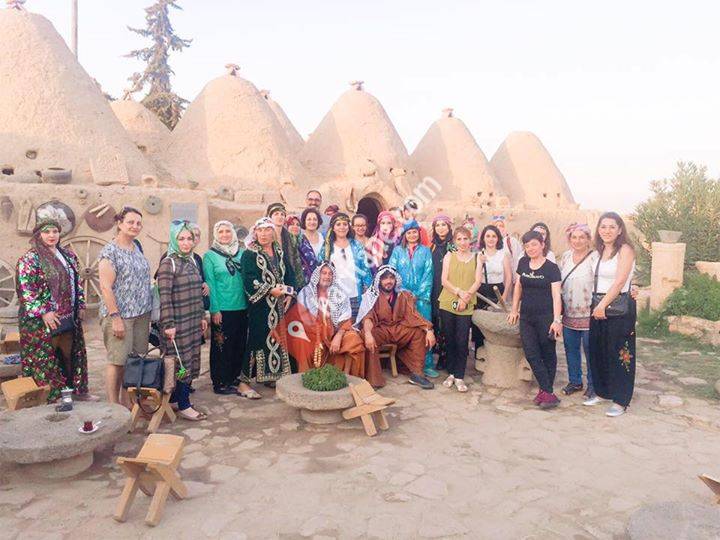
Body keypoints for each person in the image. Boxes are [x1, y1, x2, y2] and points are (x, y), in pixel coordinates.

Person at [15, 218, 95, 402]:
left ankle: (75, 392)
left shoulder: (68, 256)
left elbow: (76, 282)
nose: (51, 236)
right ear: (38, 235)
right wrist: (44, 311)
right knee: (46, 358)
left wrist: (80, 304)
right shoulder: (29, 259)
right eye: (46, 232)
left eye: (55, 232)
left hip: (67, 316)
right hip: (41, 320)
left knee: (70, 355)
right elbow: (26, 289)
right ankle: (51, 397)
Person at [98, 207, 153, 407]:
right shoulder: (109, 252)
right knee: (118, 361)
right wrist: (115, 317)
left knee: (135, 360)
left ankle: (128, 402)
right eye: (130, 222)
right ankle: (114, 406)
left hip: (141, 314)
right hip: (120, 316)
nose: (135, 226)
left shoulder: (136, 247)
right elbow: (106, 287)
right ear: (119, 224)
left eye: (138, 223)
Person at [584, 212, 636, 417]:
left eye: (612, 227)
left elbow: (620, 280)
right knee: (598, 350)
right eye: (603, 226)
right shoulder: (598, 251)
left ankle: (621, 400)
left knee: (620, 353)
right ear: (598, 230)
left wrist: (602, 305)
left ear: (620, 230)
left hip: (618, 308)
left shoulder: (625, 250)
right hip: (598, 304)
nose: (607, 230)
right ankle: (602, 391)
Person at [157, 221, 208, 420]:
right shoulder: (168, 263)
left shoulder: (192, 261)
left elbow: (197, 292)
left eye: (189, 238)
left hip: (192, 322)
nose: (186, 243)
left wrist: (202, 316)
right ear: (174, 240)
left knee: (192, 360)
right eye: (181, 239)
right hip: (177, 324)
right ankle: (184, 404)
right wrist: (169, 325)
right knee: (180, 364)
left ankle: (177, 399)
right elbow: (164, 297)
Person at [507, 230, 563, 409]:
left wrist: (557, 320)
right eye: (527, 245)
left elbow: (556, 295)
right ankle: (548, 392)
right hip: (526, 317)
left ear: (542, 245)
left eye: (534, 244)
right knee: (531, 354)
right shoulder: (523, 263)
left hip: (546, 317)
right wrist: (514, 309)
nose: (530, 248)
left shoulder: (551, 268)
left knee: (548, 354)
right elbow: (518, 287)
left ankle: (545, 392)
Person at [357, 265, 436, 389]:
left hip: (398, 329)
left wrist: (428, 330)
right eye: (385, 278)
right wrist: (368, 334)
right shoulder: (371, 296)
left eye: (391, 278)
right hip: (381, 330)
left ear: (395, 279)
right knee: (366, 334)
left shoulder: (403, 295)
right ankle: (374, 380)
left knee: (419, 333)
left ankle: (417, 374)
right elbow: (368, 318)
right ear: (379, 280)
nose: (388, 281)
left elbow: (413, 315)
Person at [204, 221, 258, 398]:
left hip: (242, 307)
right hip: (222, 309)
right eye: (221, 232)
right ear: (216, 234)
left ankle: (234, 377)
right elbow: (210, 283)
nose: (225, 234)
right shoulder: (210, 256)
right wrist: (214, 309)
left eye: (228, 231)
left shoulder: (241, 253)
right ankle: (220, 381)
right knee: (221, 346)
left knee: (239, 344)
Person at [240, 217, 293, 385]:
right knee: (258, 339)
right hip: (261, 306)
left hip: (279, 306)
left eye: (267, 230)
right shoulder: (249, 254)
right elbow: (249, 279)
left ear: (273, 232)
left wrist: (290, 294)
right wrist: (270, 290)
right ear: (255, 233)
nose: (263, 234)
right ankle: (245, 381)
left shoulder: (279, 252)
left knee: (277, 338)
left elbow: (289, 274)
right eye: (260, 230)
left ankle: (273, 376)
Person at [294, 263, 366, 376]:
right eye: (324, 273)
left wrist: (338, 336)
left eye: (330, 274)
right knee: (302, 341)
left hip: (335, 332)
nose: (327, 276)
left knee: (354, 340)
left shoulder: (340, 293)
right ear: (318, 275)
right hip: (313, 333)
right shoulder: (306, 293)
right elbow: (301, 318)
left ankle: (346, 376)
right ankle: (306, 377)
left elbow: (346, 319)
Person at [438, 226, 484, 392]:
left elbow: (477, 281)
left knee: (462, 339)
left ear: (470, 240)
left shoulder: (477, 257)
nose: (462, 242)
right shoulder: (449, 256)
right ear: (454, 241)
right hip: (448, 301)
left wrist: (466, 297)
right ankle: (451, 373)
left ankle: (459, 375)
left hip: (467, 302)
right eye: (459, 239)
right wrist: (459, 292)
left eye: (465, 239)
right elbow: (444, 280)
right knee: (449, 339)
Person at [389, 220, 437, 378]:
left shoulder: (426, 251)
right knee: (406, 329)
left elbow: (428, 273)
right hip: (402, 298)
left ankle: (427, 364)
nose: (412, 235)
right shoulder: (397, 251)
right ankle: (407, 364)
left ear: (418, 233)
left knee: (425, 328)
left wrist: (418, 294)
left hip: (422, 299)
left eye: (414, 232)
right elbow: (392, 272)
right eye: (409, 233)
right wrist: (403, 292)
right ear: (404, 235)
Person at [558, 223, 597, 397]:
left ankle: (593, 384)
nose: (577, 241)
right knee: (570, 348)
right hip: (569, 312)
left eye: (582, 237)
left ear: (588, 239)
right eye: (574, 237)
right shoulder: (566, 257)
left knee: (590, 350)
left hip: (589, 312)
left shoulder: (594, 257)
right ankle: (575, 381)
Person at [319, 212, 372, 321]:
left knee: (355, 325)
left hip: (355, 294)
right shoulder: (327, 247)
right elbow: (320, 270)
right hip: (334, 296)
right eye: (338, 224)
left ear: (349, 227)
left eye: (345, 224)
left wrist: (368, 289)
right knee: (338, 326)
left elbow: (365, 269)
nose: (342, 227)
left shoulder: (356, 245)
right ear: (333, 228)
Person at [472, 225, 512, 353]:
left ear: (498, 238)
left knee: (496, 323)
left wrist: (504, 296)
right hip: (482, 291)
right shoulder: (479, 255)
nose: (491, 239)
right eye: (488, 236)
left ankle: (495, 353)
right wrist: (480, 263)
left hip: (498, 290)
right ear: (483, 238)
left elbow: (509, 277)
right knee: (480, 323)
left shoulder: (503, 255)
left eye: (494, 236)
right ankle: (479, 353)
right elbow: (475, 277)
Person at [430, 214, 454, 370]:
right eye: (437, 225)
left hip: (449, 287)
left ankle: (446, 357)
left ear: (449, 227)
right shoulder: (432, 246)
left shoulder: (453, 245)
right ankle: (437, 353)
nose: (440, 228)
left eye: (443, 225)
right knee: (436, 320)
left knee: (447, 322)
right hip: (434, 287)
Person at [266, 202, 300, 289]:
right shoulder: (264, 237)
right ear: (269, 217)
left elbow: (296, 262)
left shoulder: (290, 237)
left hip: (288, 281)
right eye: (276, 214)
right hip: (270, 282)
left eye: (282, 214)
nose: (280, 217)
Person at [286, 214, 318, 285]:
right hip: (292, 283)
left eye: (298, 225)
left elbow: (313, 260)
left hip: (310, 282)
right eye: (292, 224)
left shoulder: (303, 240)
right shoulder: (285, 243)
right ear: (286, 226)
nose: (295, 227)